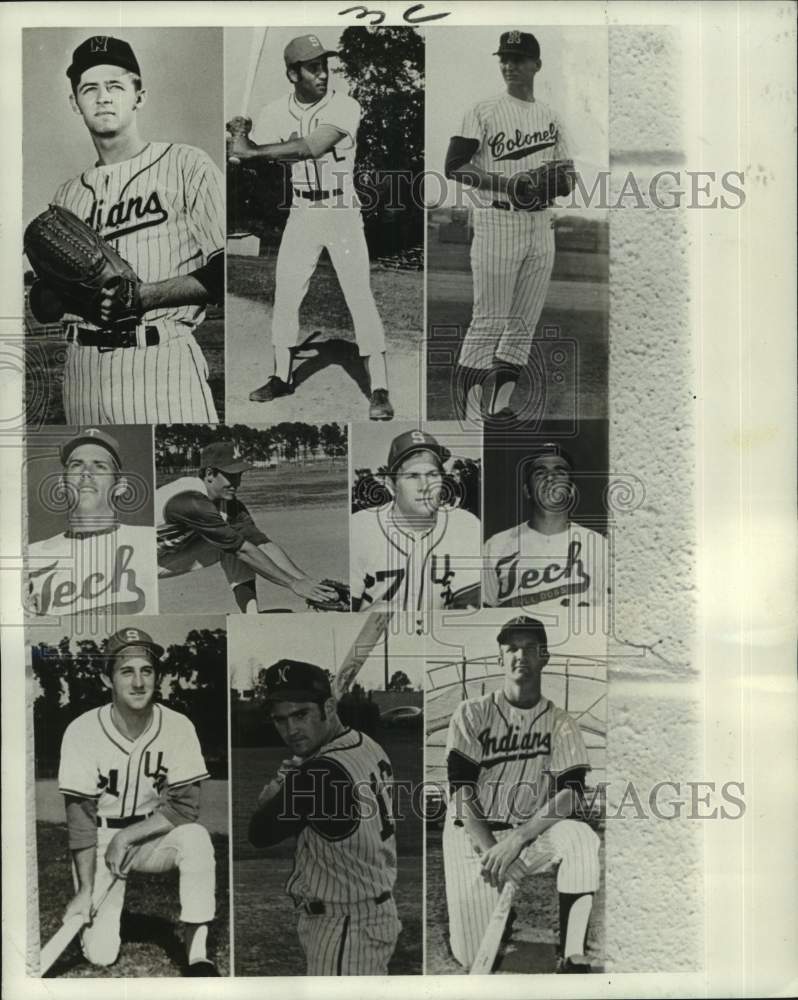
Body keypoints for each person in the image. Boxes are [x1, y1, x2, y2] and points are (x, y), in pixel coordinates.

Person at [43, 34, 223, 424]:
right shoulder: (66, 196)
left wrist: (145, 296)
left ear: (139, 96)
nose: (103, 97)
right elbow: (49, 301)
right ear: (75, 103)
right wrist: (59, 295)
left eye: (116, 86)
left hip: (161, 362)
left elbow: (225, 272)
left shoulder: (187, 164)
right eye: (89, 88)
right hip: (82, 371)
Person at [227, 33, 394, 421]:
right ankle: (281, 377)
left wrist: (251, 149)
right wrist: (240, 135)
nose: (323, 75)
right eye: (314, 68)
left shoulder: (346, 105)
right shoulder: (273, 111)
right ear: (292, 74)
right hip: (301, 210)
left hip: (341, 208)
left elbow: (311, 146)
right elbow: (247, 155)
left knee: (358, 296)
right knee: (286, 294)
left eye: (325, 67)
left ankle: (380, 388)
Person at [442, 616, 600, 973]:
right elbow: (461, 792)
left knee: (581, 838)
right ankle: (501, 912)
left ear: (545, 657)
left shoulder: (561, 722)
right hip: (473, 837)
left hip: (527, 835)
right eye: (512, 647)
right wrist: (494, 856)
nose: (520, 655)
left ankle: (573, 955)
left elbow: (571, 793)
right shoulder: (471, 713)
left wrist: (517, 840)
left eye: (530, 648)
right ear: (500, 657)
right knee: (472, 955)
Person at [57, 627, 219, 975]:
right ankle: (98, 912)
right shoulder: (82, 730)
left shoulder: (178, 726)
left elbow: (186, 806)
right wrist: (85, 889)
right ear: (107, 678)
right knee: (101, 955)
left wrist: (128, 836)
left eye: (146, 671)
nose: (138, 682)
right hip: (100, 839)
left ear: (157, 677)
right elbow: (81, 819)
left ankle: (197, 951)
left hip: (149, 835)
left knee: (195, 838)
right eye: (126, 671)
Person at [444, 31, 575, 419]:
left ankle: (498, 407)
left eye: (518, 59)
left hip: (541, 224)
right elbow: (454, 166)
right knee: (488, 322)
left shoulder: (552, 117)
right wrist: (509, 183)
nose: (508, 65)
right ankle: (468, 412)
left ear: (537, 65)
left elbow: (568, 179)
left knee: (523, 323)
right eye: (504, 58)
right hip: (497, 219)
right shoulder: (482, 110)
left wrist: (547, 181)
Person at [248, 659, 401, 975]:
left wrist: (279, 787)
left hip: (344, 926)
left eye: (301, 715)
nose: (291, 730)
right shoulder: (366, 744)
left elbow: (259, 833)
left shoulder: (318, 774)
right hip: (372, 914)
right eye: (281, 720)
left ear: (329, 707)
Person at [156, 440, 338, 613]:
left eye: (239, 475)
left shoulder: (229, 503)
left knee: (239, 541)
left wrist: (307, 582)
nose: (236, 483)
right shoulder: (191, 500)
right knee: (238, 546)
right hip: (135, 562)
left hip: (166, 554)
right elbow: (242, 551)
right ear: (210, 474)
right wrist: (293, 584)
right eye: (231, 475)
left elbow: (261, 544)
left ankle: (251, 616)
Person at [26, 427, 157, 619]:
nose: (87, 472)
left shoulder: (149, 540)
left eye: (100, 466)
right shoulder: (30, 555)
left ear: (120, 486)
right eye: (76, 465)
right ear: (62, 485)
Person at [350, 429, 481, 614]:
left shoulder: (465, 525)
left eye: (433, 475)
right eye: (412, 476)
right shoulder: (360, 527)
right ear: (391, 484)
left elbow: (470, 606)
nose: (425, 487)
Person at [482, 443, 609, 630]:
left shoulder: (599, 546)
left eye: (560, 472)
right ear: (527, 490)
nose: (550, 478)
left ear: (572, 490)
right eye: (540, 473)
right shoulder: (496, 545)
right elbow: (485, 618)